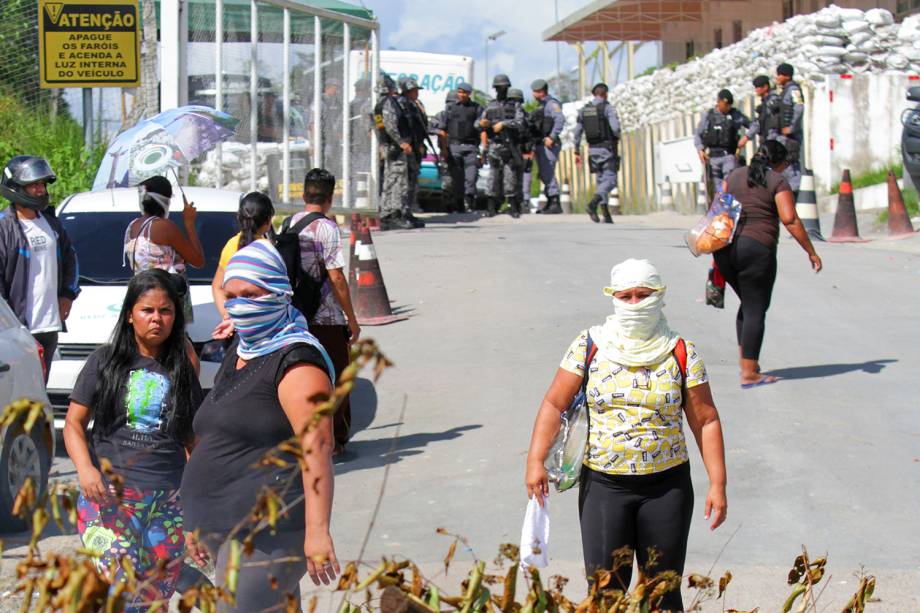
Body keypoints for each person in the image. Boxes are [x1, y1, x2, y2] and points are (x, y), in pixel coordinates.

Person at [525, 259, 727, 611]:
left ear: (659, 296)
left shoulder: (681, 353)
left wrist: (718, 483)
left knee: (662, 593)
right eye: (627, 296)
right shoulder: (590, 345)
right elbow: (553, 404)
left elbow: (705, 420)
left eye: (643, 295)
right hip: (605, 488)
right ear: (613, 298)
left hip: (667, 490)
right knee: (605, 593)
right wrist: (535, 460)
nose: (635, 304)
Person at [181, 240, 339, 611]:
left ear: (280, 293)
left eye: (252, 294)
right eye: (231, 296)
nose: (239, 305)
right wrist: (196, 516)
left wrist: (317, 532)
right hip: (225, 527)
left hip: (268, 533)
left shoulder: (297, 362)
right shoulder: (242, 349)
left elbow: (318, 450)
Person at [64, 269, 204, 612]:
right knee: (121, 591)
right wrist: (86, 470)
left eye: (166, 311)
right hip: (110, 500)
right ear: (130, 315)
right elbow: (73, 424)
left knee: (152, 599)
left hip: (167, 502)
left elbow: (193, 444)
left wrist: (197, 510)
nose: (157, 319)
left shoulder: (184, 370)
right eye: (147, 310)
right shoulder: (104, 362)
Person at [716, 141, 822, 387]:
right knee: (755, 308)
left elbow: (718, 211)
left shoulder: (732, 176)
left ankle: (747, 363)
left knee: (748, 304)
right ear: (779, 162)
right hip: (756, 249)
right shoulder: (777, 181)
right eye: (784, 164)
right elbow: (790, 218)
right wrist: (811, 251)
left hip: (725, 249)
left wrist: (714, 254)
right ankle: (749, 373)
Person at [284, 168, 360, 455]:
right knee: (337, 377)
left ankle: (302, 435)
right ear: (330, 198)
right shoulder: (327, 228)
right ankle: (336, 439)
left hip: (297, 316)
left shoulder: (289, 225)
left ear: (304, 195)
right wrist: (352, 320)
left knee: (303, 376)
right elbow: (337, 278)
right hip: (326, 318)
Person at [0, 155, 79, 380]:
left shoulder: (52, 224)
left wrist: (67, 294)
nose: (40, 189)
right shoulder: (4, 228)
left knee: (39, 391)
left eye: (42, 184)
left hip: (48, 326)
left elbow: (71, 259)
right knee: (15, 393)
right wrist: (8, 324)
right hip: (15, 330)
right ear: (14, 187)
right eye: (33, 184)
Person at [123, 175, 204, 323]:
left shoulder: (132, 226)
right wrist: (189, 223)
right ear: (166, 200)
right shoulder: (164, 226)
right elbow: (197, 260)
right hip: (165, 300)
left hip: (141, 297)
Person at [212, 191, 276, 340]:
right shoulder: (267, 249)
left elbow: (217, 286)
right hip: (262, 330)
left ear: (239, 218)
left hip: (237, 332)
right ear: (268, 221)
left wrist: (228, 317)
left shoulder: (230, 245)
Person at [574, 82, 621, 224]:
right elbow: (615, 128)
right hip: (607, 149)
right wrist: (617, 137)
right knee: (611, 180)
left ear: (594, 94)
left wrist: (576, 150)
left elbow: (577, 132)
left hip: (592, 150)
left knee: (601, 180)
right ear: (605, 94)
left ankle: (606, 215)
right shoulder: (608, 108)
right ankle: (593, 203)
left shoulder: (584, 110)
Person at [479, 74, 525, 218]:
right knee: (493, 177)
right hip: (494, 145)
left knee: (510, 177)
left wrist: (504, 124)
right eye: (499, 88)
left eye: (504, 88)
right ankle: (491, 207)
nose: (501, 90)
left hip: (509, 145)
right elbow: (478, 123)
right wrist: (483, 123)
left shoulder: (514, 106)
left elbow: (520, 122)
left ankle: (513, 206)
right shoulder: (490, 106)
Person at [378, 75, 420, 231]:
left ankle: (391, 214)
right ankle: (393, 214)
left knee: (394, 180)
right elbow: (389, 126)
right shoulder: (387, 103)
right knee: (396, 182)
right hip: (395, 148)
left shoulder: (383, 102)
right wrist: (401, 142)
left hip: (392, 147)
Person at [439, 82, 482, 213]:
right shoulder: (451, 108)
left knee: (471, 176)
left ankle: (469, 200)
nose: (461, 95)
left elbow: (482, 126)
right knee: (457, 177)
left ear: (469, 94)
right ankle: (458, 204)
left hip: (471, 146)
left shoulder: (477, 108)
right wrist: (444, 149)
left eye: (464, 92)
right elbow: (443, 129)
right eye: (460, 92)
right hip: (454, 146)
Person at [694, 89, 751, 186]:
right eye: (725, 104)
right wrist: (700, 149)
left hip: (728, 156)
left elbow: (753, 125)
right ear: (718, 101)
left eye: (729, 104)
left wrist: (746, 137)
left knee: (729, 185)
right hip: (712, 158)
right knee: (718, 190)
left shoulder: (734, 115)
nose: (728, 107)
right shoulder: (708, 116)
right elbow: (698, 134)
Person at [530, 78, 565, 214]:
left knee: (548, 172)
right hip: (541, 143)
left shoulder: (552, 104)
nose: (533, 95)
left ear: (541, 91)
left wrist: (552, 136)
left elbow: (560, 119)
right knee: (544, 174)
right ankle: (550, 201)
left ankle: (555, 202)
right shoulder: (542, 105)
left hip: (549, 144)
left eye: (535, 92)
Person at [397, 77, 428, 226]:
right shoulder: (403, 105)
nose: (417, 93)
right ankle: (402, 212)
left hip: (415, 147)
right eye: (414, 90)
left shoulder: (414, 105)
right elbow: (407, 127)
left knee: (412, 181)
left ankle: (407, 211)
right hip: (408, 149)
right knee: (405, 182)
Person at [774, 63, 805, 194]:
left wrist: (791, 128)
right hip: (784, 136)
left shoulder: (794, 90)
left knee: (791, 165)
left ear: (787, 75)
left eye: (779, 75)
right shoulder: (784, 91)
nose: (777, 78)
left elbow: (799, 108)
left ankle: (796, 193)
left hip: (791, 136)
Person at [738, 75, 781, 152]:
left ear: (765, 87)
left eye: (758, 87)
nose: (756, 90)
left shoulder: (772, 101)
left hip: (773, 140)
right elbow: (760, 121)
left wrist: (746, 137)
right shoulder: (765, 102)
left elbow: (772, 122)